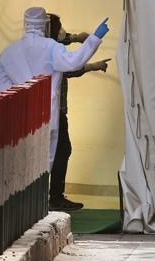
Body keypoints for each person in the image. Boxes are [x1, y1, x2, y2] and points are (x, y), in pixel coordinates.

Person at [0, 7, 109, 170]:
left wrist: (19, 95)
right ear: (44, 25)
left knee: (20, 167)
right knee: (43, 166)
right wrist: (95, 38)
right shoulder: (51, 48)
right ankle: (42, 195)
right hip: (46, 115)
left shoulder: (9, 52)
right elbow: (74, 62)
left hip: (18, 115)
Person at [45, 13, 111, 211]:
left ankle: (52, 196)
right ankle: (54, 198)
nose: (63, 31)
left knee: (58, 152)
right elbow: (70, 68)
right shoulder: (50, 51)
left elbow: (63, 39)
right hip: (53, 112)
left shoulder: (46, 45)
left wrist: (75, 38)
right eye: (60, 27)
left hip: (52, 111)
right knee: (61, 151)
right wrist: (93, 65)